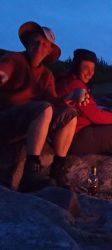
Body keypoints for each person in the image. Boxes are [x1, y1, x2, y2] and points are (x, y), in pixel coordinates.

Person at [0, 21, 83, 191]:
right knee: (43, 108)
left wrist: (70, 97)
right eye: (36, 42)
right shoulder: (13, 60)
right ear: (28, 44)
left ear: (48, 51)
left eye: (45, 45)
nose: (40, 47)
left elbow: (53, 100)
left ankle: (57, 170)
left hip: (30, 121)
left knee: (70, 114)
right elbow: (3, 73)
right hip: (7, 119)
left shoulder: (46, 75)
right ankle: (31, 172)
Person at [56, 49, 112, 156]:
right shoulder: (75, 85)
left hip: (76, 135)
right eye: (86, 68)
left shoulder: (67, 81)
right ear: (76, 67)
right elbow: (96, 116)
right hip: (74, 138)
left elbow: (92, 111)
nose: (90, 73)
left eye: (92, 69)